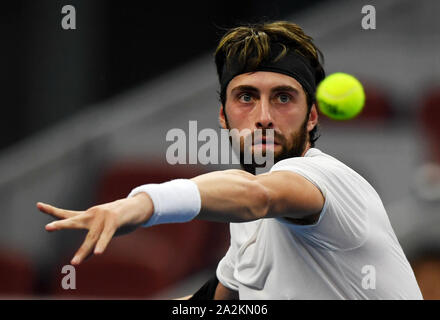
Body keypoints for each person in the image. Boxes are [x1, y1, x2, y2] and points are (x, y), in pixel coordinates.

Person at [37, 21, 422, 300]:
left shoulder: (325, 178)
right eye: (246, 97)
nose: (264, 115)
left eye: (284, 97)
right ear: (224, 116)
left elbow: (257, 196)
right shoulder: (249, 227)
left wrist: (142, 204)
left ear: (313, 117)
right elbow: (219, 301)